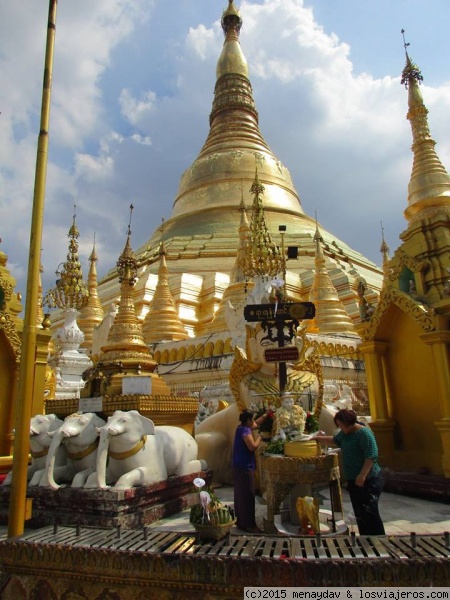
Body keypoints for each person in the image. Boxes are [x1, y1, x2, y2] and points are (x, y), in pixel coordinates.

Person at [315, 408, 385, 536]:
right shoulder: (346, 433)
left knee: (370, 512)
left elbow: (371, 456)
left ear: (348, 423)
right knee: (360, 512)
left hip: (368, 479)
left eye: (341, 425)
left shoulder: (363, 433)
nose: (340, 428)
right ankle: (366, 539)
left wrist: (362, 475)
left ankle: (378, 539)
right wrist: (317, 438)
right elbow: (335, 440)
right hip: (354, 480)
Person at [232, 408, 269, 533]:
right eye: (251, 419)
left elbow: (256, 423)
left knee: (240, 495)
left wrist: (266, 414)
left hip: (238, 466)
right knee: (248, 495)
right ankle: (249, 524)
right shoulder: (245, 431)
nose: (253, 421)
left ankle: (241, 521)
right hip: (244, 467)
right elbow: (252, 446)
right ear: (247, 420)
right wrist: (260, 437)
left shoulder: (240, 427)